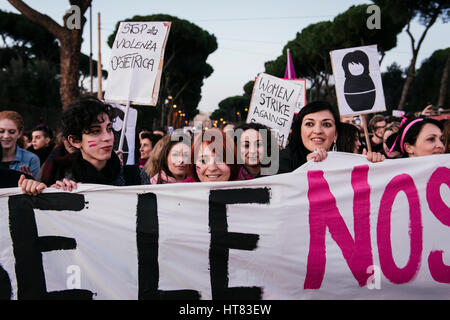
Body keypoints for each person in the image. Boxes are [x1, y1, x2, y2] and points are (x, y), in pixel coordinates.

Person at [19, 98, 150, 195]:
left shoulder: (137, 177)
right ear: (75, 141)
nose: (108, 137)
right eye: (95, 131)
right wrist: (41, 192)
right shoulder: (62, 183)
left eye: (109, 129)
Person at [278, 101, 384, 174]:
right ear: (299, 129)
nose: (318, 131)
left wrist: (374, 168)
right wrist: (306, 169)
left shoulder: (347, 163)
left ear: (335, 134)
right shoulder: (279, 160)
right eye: (310, 124)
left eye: (327, 124)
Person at [0, 110, 40, 178]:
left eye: (12, 132)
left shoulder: (31, 159)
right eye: (1, 131)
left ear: (19, 133)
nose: (6, 136)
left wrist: (31, 182)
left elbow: (38, 185)